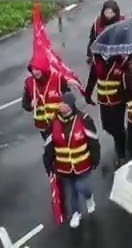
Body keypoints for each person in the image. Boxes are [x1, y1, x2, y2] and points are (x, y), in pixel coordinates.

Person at [42, 93, 99, 229]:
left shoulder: (84, 120)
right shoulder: (54, 122)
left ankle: (89, 197)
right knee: (72, 190)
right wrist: (48, 164)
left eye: (64, 104)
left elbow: (94, 141)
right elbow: (49, 146)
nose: (61, 106)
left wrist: (95, 159)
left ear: (71, 105)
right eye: (60, 103)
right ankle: (76, 213)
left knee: (82, 186)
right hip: (64, 166)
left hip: (83, 164)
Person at [83, 52, 127, 165]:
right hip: (103, 100)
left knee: (118, 129)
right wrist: (87, 94)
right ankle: (123, 136)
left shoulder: (121, 61)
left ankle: (121, 156)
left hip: (118, 101)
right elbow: (92, 78)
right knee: (107, 127)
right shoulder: (97, 61)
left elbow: (127, 80)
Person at [23, 56, 71, 137]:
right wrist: (30, 105)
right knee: (51, 149)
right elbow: (25, 104)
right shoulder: (29, 83)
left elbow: (69, 98)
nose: (35, 72)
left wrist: (66, 106)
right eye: (33, 69)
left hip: (62, 123)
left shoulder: (58, 78)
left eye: (37, 69)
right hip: (45, 128)